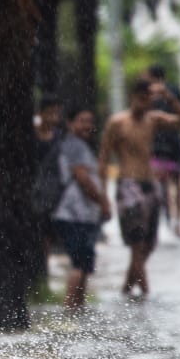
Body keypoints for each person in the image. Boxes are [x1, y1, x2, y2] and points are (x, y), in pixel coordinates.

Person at [99, 79, 180, 299]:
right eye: (140, 97)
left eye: (147, 98)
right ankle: (145, 294)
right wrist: (103, 196)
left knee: (149, 243)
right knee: (136, 243)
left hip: (150, 184)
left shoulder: (154, 120)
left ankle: (127, 290)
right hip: (129, 184)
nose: (144, 102)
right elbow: (103, 157)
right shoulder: (117, 122)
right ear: (132, 98)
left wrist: (169, 96)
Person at [51, 106, 111, 309]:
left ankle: (78, 311)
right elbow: (83, 178)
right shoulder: (73, 146)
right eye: (82, 120)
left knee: (84, 265)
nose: (87, 125)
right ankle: (69, 312)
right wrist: (103, 202)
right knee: (78, 265)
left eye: (90, 121)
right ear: (70, 123)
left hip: (84, 216)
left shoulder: (80, 146)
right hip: (72, 214)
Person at [145, 65, 180, 238]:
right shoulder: (154, 93)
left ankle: (174, 221)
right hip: (166, 143)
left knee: (168, 183)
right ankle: (172, 222)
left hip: (166, 142)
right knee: (171, 184)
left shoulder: (169, 93)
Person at [31, 94, 65, 292]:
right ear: (41, 113)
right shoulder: (30, 136)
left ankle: (43, 278)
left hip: (53, 194)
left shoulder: (60, 138)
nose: (54, 117)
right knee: (36, 236)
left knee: (47, 237)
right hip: (32, 193)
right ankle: (37, 279)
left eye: (57, 113)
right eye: (50, 112)